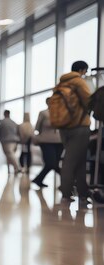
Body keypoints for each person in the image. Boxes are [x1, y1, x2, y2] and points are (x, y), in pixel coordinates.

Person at [56, 61, 92, 203]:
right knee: (71, 161)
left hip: (64, 127)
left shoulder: (61, 84)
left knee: (79, 159)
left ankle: (83, 192)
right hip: (79, 126)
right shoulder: (79, 82)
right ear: (82, 70)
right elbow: (89, 101)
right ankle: (66, 192)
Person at [32, 99, 63, 189]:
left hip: (59, 142)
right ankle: (69, 182)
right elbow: (37, 127)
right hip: (46, 142)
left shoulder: (61, 113)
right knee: (51, 164)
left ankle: (38, 180)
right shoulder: (43, 113)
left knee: (55, 165)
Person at [0, 110, 21, 174]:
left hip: (6, 141)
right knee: (10, 155)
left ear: (4, 114)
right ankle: (11, 169)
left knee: (9, 154)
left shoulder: (2, 122)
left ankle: (17, 167)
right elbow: (18, 132)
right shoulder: (14, 122)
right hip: (15, 141)